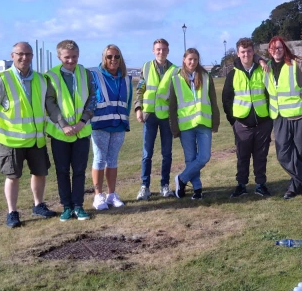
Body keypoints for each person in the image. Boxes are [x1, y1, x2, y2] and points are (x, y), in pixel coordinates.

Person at [0, 42, 57, 228]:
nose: (24, 57)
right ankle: (12, 212)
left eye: (28, 54)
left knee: (40, 173)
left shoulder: (42, 79)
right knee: (12, 176)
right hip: (11, 140)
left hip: (36, 138)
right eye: (20, 54)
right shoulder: (1, 79)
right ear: (13, 55)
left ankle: (38, 205)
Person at [266, 36, 302, 199]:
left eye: (279, 48)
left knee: (301, 153)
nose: (276, 51)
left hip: (299, 115)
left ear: (284, 48)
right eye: (272, 48)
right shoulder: (266, 66)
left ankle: (295, 187)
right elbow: (251, 57)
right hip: (279, 117)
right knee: (283, 155)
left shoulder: (296, 64)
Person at [45, 39, 96, 222]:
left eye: (74, 56)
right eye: (66, 57)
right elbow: (49, 102)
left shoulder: (86, 73)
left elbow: (93, 97)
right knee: (62, 171)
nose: (70, 60)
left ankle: (79, 206)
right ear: (59, 57)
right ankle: (66, 207)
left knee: (80, 171)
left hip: (82, 131)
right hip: (60, 134)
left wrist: (82, 122)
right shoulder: (50, 76)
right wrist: (63, 124)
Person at [222, 37, 274, 198]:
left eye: (249, 51)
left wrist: (270, 119)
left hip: (263, 122)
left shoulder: (263, 70)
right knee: (242, 157)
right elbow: (226, 99)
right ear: (238, 54)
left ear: (254, 53)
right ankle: (241, 185)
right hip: (242, 123)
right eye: (243, 52)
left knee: (261, 156)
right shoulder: (232, 74)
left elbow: (270, 93)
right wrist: (234, 121)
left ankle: (260, 185)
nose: (246, 54)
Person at [168, 48, 220, 200]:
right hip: (186, 126)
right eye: (190, 59)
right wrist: (174, 127)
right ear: (184, 59)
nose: (192, 62)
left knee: (204, 157)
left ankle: (181, 179)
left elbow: (213, 101)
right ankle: (197, 189)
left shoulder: (205, 76)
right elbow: (172, 106)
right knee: (190, 159)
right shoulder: (176, 79)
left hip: (204, 123)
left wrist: (215, 122)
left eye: (195, 59)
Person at [133, 39, 178, 200]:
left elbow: (176, 94)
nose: (161, 52)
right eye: (158, 49)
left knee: (167, 153)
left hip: (166, 117)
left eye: (164, 49)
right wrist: (138, 108)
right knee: (147, 154)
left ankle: (164, 185)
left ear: (168, 50)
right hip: (149, 116)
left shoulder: (174, 70)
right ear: (153, 51)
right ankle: (144, 186)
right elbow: (140, 89)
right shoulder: (146, 67)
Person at [90, 44, 133, 210]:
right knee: (99, 159)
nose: (113, 60)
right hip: (100, 124)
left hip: (119, 125)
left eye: (116, 56)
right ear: (104, 58)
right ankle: (98, 195)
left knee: (113, 160)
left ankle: (111, 194)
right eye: (109, 57)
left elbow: (127, 102)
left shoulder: (126, 79)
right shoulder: (95, 75)